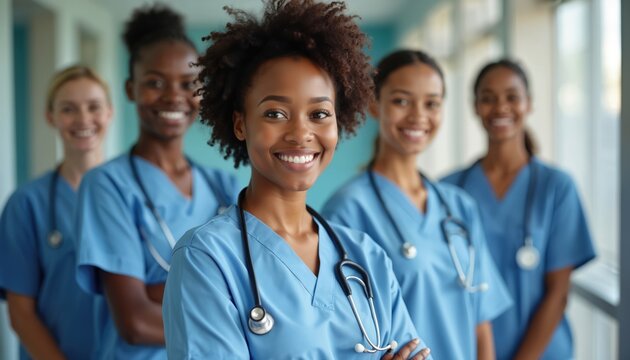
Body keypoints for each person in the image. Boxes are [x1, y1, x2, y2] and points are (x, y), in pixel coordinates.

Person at [163, 1, 431, 359]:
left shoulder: (366, 256)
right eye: (275, 113)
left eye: (319, 113)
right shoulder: (206, 259)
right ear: (241, 124)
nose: (300, 133)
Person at [323, 49, 513, 360]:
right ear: (374, 103)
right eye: (401, 100)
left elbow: (481, 323)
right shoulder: (347, 211)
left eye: (431, 104)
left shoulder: (459, 208)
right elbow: (341, 331)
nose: (418, 116)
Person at [74, 5, 239, 359]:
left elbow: (253, 288)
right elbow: (134, 323)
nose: (172, 96)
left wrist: (155, 291)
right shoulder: (107, 185)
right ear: (130, 89)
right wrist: (219, 306)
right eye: (154, 82)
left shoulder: (223, 185)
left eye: (187, 83)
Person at [442, 59, 596, 360]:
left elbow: (558, 293)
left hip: (543, 352)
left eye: (512, 97)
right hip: (470, 351)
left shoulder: (556, 187)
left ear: (529, 104)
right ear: (475, 107)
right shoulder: (448, 190)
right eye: (488, 98)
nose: (501, 107)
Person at [0, 65, 113, 360]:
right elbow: (20, 312)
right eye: (68, 109)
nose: (83, 119)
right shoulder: (26, 204)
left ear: (110, 113)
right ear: (50, 117)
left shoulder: (134, 197)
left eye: (93, 107)